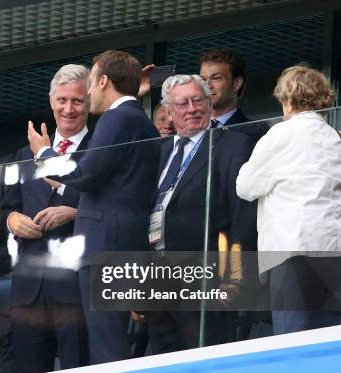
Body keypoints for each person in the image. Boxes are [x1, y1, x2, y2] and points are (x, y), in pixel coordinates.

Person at [28, 50, 160, 364]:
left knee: (106, 343)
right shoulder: (138, 119)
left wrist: (44, 154)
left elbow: (85, 174)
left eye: (91, 83)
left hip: (106, 245)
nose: (87, 92)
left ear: (102, 81)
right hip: (124, 239)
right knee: (110, 337)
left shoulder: (118, 117)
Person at [146, 75, 254, 354]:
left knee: (207, 362)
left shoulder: (232, 145)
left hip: (206, 276)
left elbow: (242, 215)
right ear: (168, 112)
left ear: (209, 104)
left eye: (198, 101)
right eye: (182, 104)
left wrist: (236, 276)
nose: (192, 109)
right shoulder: (158, 152)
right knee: (163, 369)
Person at [236, 65, 341, 335]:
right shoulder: (334, 138)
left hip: (290, 248)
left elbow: (245, 187)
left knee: (292, 336)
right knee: (329, 339)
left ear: (286, 99)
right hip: (333, 248)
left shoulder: (279, 135)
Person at [3, 64, 91, 373]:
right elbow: (5, 209)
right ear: (51, 100)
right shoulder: (23, 154)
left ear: (90, 101)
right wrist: (13, 220)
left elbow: (115, 206)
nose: (68, 109)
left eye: (78, 101)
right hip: (29, 288)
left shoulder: (103, 148)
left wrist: (76, 213)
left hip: (77, 287)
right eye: (62, 100)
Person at [199, 48, 269, 146]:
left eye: (216, 78)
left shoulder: (255, 130)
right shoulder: (189, 129)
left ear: (236, 84)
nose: (207, 85)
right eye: (202, 80)